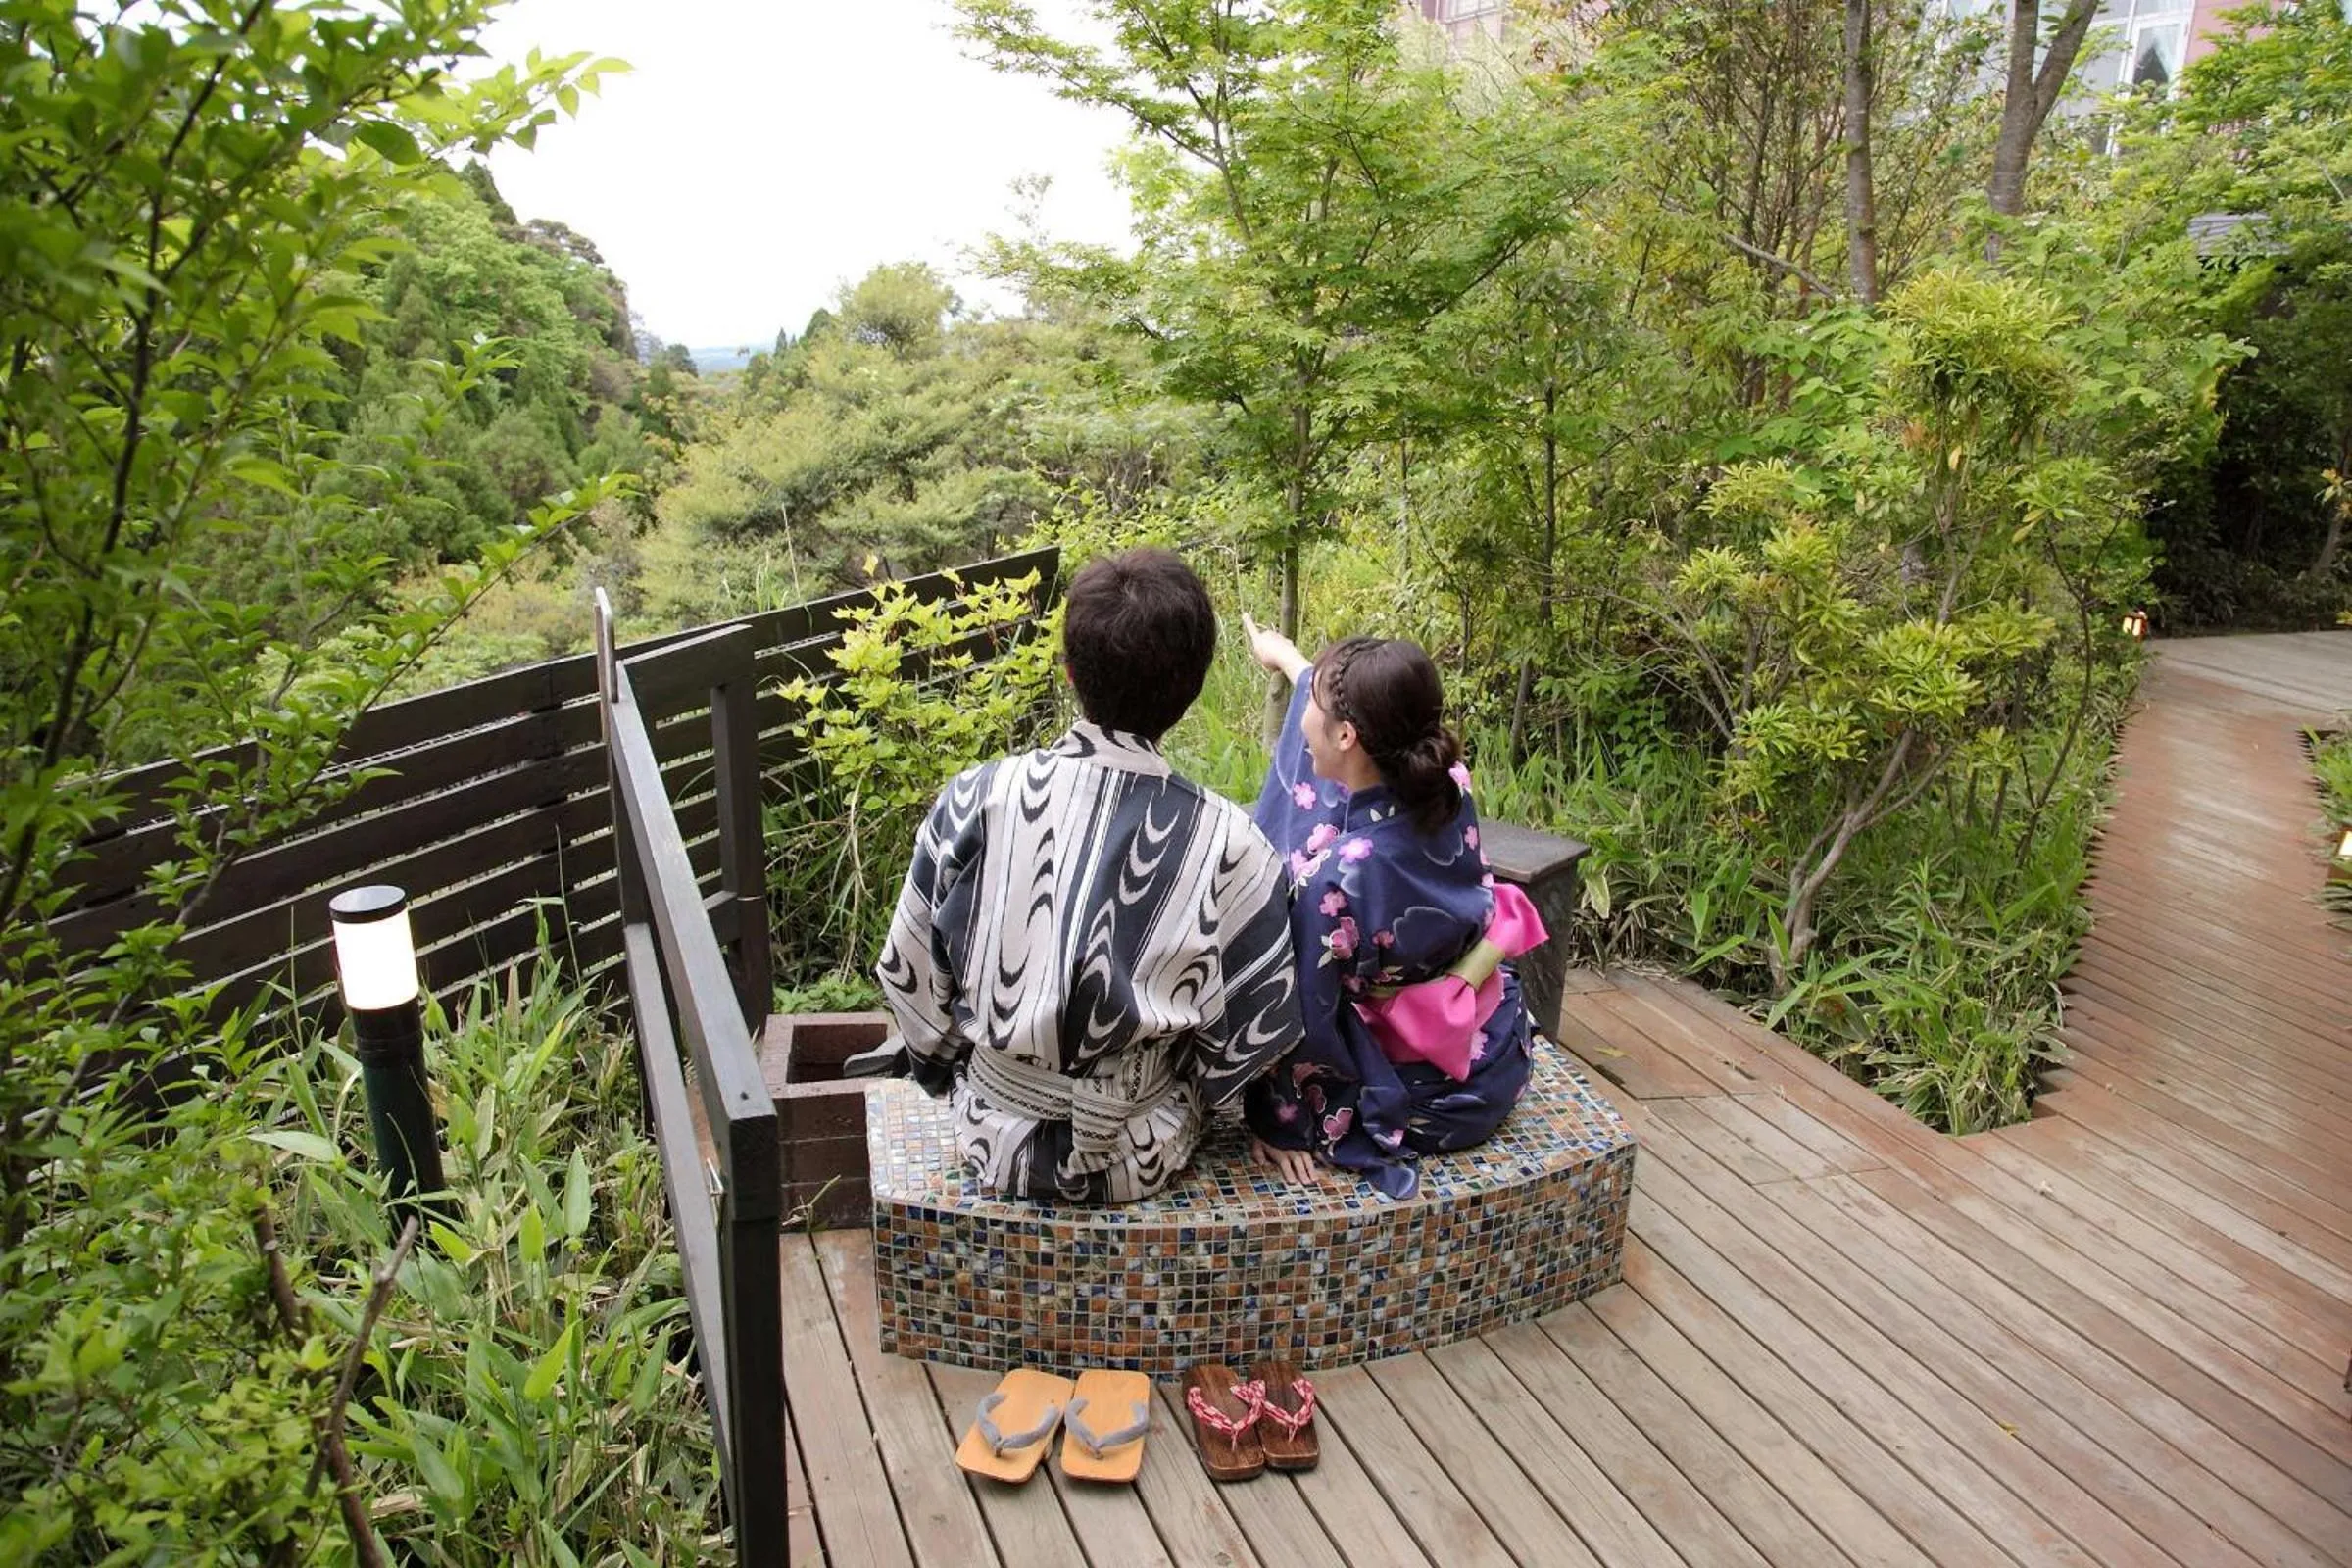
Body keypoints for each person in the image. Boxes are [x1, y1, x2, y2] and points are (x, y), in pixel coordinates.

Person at [876, 549, 1303, 1202]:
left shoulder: (974, 801)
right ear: (1191, 691)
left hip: (988, 1135)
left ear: (1072, 672)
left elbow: (910, 977)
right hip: (1142, 1152)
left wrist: (952, 1068)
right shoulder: (1231, 842)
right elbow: (1248, 1037)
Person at [1239, 618, 1543, 1200]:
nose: (1305, 718)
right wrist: (1289, 660)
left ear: (1348, 735)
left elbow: (1308, 1011)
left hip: (1416, 1090)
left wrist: (1283, 1118)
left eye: (1315, 704)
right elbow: (1341, 756)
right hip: (1491, 1054)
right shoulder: (1449, 784)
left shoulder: (1339, 879)